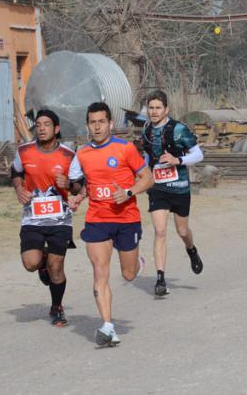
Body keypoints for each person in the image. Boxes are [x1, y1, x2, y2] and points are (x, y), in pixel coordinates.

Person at [68, 102, 155, 347]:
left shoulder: (125, 149)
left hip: (127, 219)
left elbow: (147, 177)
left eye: (101, 121)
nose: (97, 126)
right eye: (92, 122)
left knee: (128, 274)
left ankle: (137, 262)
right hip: (97, 219)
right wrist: (79, 196)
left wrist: (128, 192)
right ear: (88, 125)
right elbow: (89, 183)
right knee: (100, 272)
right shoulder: (82, 154)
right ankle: (107, 326)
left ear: (110, 124)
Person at [10, 109, 76, 327]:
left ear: (56, 129)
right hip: (33, 219)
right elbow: (16, 172)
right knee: (30, 263)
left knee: (56, 267)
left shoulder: (69, 155)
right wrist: (19, 188)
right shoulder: (24, 151)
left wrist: (70, 185)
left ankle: (57, 307)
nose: (41, 128)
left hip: (60, 220)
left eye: (46, 124)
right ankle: (42, 264)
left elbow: (80, 185)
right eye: (38, 124)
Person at [140, 90, 204, 297]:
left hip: (180, 188)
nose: (154, 111)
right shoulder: (146, 131)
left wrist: (179, 160)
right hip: (158, 188)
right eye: (151, 108)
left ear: (166, 109)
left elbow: (198, 154)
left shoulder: (179, 129)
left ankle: (191, 250)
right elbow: (147, 158)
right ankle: (160, 278)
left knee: (182, 231)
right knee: (160, 231)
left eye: (158, 108)